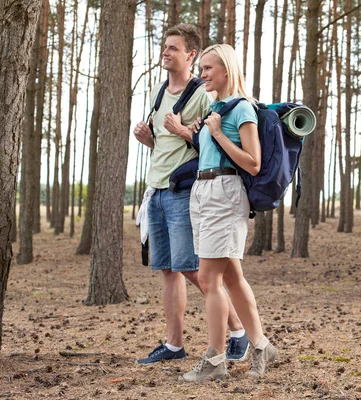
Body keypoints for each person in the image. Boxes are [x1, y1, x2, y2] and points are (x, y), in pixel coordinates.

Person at [133, 25, 249, 365]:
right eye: (164, 47)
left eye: (173, 48)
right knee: (169, 269)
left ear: (191, 55)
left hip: (183, 191)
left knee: (195, 271)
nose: (165, 52)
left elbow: (206, 147)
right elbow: (164, 144)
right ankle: (173, 345)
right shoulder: (158, 91)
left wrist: (182, 130)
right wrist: (148, 140)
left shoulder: (202, 94)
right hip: (156, 190)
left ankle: (239, 333)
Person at [177, 44, 278, 383]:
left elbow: (253, 162)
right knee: (231, 278)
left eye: (207, 68)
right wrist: (199, 134)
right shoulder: (215, 108)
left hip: (225, 194)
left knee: (208, 279)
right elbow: (211, 155)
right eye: (201, 68)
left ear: (226, 70)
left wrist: (218, 132)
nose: (202, 74)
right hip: (203, 192)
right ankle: (263, 346)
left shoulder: (241, 110)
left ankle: (216, 359)